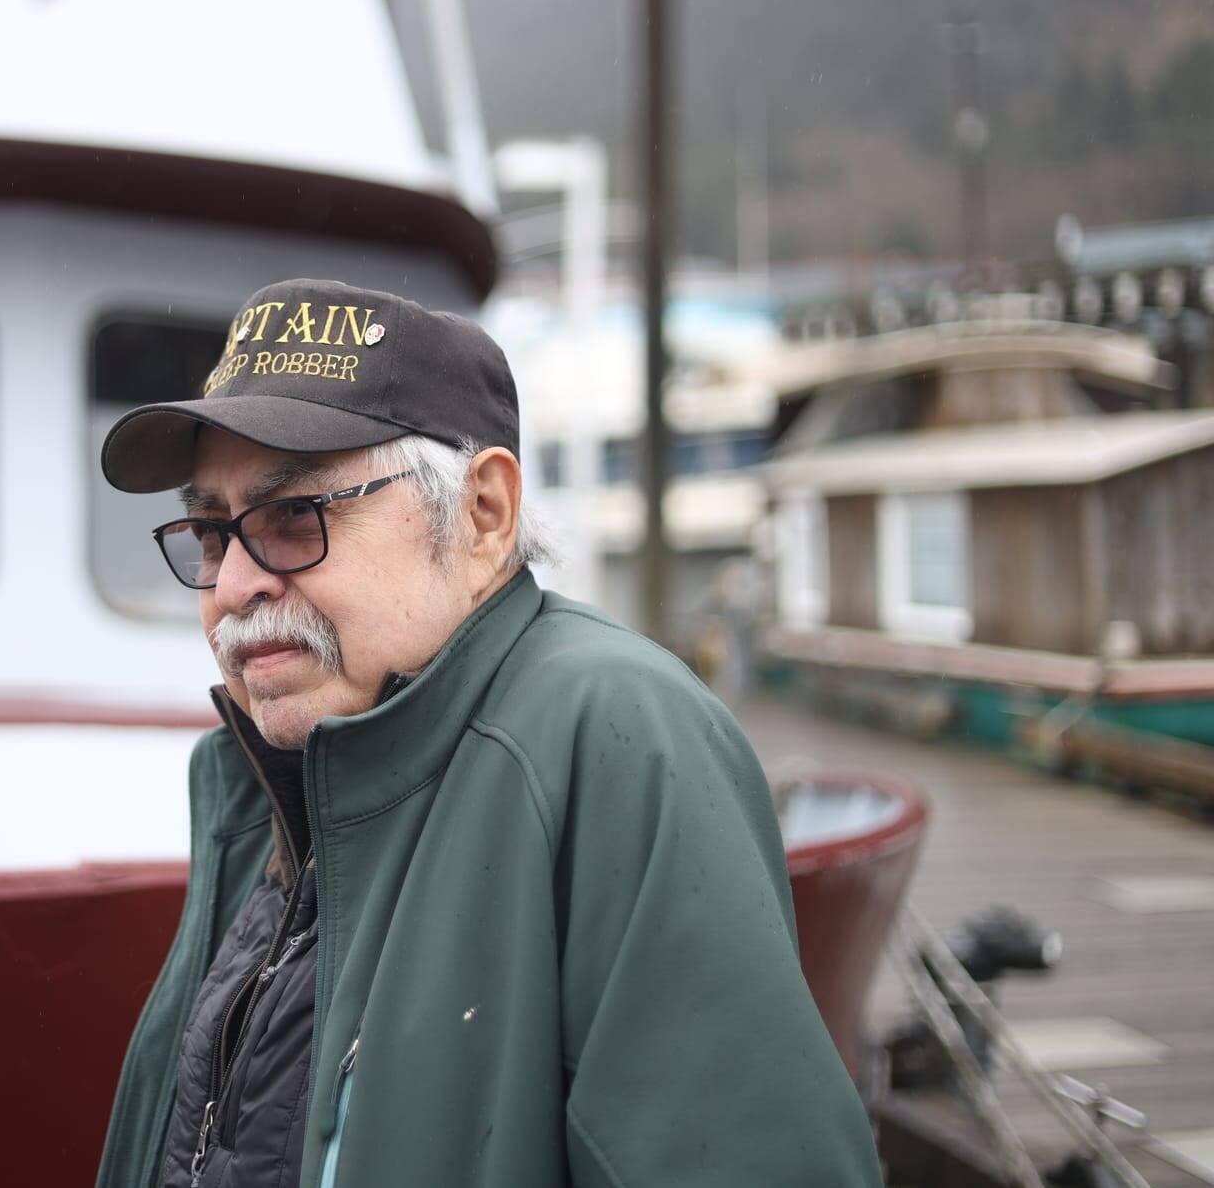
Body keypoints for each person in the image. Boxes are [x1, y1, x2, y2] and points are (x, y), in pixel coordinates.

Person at [91, 278, 883, 1188]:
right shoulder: (258, 785)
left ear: (483, 515)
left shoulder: (614, 733)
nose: (233, 586)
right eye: (209, 531)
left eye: (295, 518)